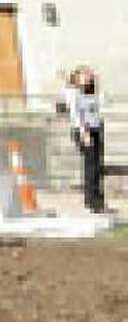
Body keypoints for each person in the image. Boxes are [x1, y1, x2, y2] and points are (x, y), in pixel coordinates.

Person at [66, 66, 106, 214]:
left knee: (97, 165)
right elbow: (76, 114)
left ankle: (98, 199)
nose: (89, 77)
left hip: (95, 128)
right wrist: (84, 132)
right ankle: (91, 201)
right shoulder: (74, 93)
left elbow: (100, 105)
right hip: (84, 130)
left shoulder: (91, 92)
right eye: (85, 75)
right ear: (77, 78)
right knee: (91, 167)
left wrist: (97, 84)